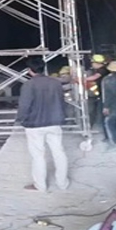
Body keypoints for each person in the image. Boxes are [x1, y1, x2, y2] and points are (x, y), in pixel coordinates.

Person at [16, 56, 70, 193]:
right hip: (54, 123)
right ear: (43, 68)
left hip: (34, 125)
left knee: (38, 155)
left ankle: (40, 185)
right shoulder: (55, 83)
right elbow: (62, 102)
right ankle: (62, 183)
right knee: (59, 152)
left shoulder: (28, 85)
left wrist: (21, 119)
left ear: (29, 70)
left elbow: (24, 105)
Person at [84, 54, 110, 133]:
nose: (92, 64)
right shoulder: (100, 69)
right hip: (100, 93)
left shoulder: (102, 70)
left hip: (105, 94)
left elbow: (94, 77)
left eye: (93, 63)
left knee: (105, 113)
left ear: (97, 63)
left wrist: (82, 79)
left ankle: (108, 132)